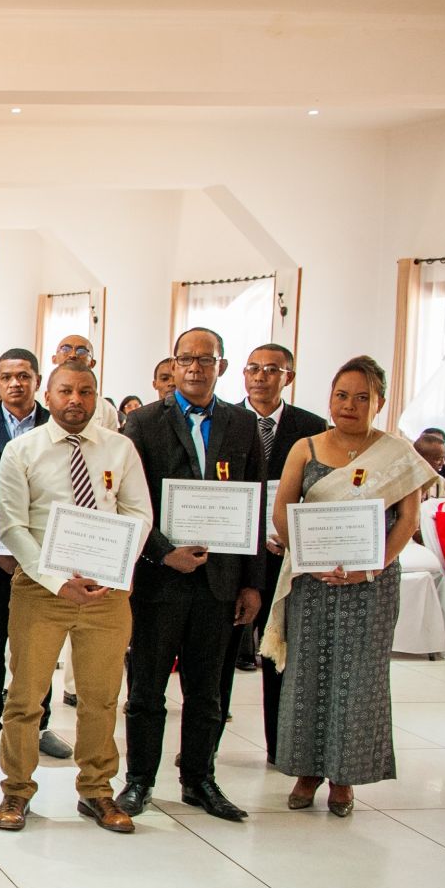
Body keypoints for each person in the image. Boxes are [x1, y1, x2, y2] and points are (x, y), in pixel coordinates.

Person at [263, 357, 436, 816]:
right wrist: (309, 556)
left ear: (379, 402)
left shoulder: (398, 456)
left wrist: (371, 567)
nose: (350, 405)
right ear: (330, 398)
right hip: (313, 580)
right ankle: (307, 772)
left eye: (362, 397)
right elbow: (283, 509)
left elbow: (407, 521)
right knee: (307, 673)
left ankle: (345, 778)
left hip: (370, 585)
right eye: (342, 395)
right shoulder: (307, 447)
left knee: (359, 678)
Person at [0, 363, 150, 835]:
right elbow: (13, 526)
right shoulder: (22, 450)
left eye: (85, 391)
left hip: (107, 591)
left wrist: (117, 564)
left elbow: (139, 513)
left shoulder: (119, 449)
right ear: (48, 392)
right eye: (65, 390)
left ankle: (98, 791)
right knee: (25, 698)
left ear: (96, 395)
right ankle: (16, 791)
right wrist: (56, 579)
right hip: (42, 590)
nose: (75, 399)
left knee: (100, 699)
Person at [117, 328, 264, 823]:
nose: (195, 368)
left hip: (220, 582)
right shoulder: (141, 423)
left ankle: (200, 779)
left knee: (208, 692)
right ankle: (139, 780)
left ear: (221, 366)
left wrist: (253, 583)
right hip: (161, 579)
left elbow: (256, 505)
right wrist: (162, 554)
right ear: (174, 365)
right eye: (186, 359)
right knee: (146, 689)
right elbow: (129, 502)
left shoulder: (243, 425)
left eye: (206, 360)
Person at [0, 348, 65, 760]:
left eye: (23, 376)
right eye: (6, 377)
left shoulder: (55, 425)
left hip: (43, 555)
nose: (15, 383)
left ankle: (39, 723)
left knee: (40, 643)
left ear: (37, 381)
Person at [224, 343, 327, 752]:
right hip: (232, 556)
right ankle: (205, 743)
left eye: (272, 369)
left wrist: (293, 532)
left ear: (289, 377)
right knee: (222, 654)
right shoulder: (226, 419)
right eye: (253, 368)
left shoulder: (313, 427)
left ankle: (280, 745)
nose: (261, 376)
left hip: (285, 556)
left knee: (280, 652)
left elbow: (320, 493)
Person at [52, 336, 120, 430]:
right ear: (54, 359)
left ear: (92, 363)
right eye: (65, 349)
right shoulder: (38, 404)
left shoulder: (107, 410)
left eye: (81, 351)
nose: (73, 355)